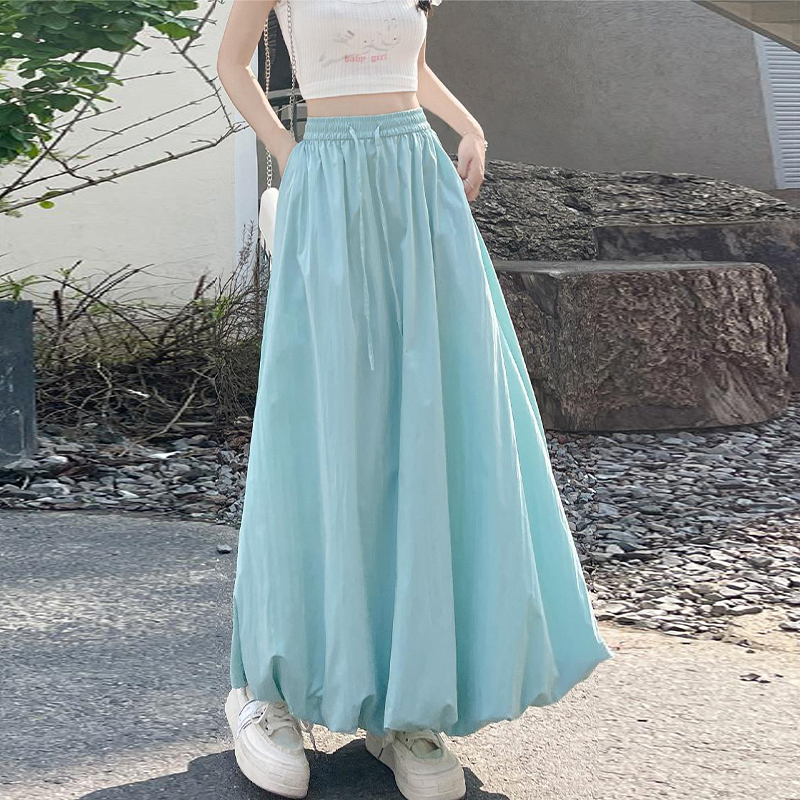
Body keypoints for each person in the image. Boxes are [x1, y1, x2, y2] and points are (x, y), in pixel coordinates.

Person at [216, 2, 612, 798]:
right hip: (328, 175)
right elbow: (233, 64)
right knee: (325, 417)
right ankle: (270, 683)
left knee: (435, 410)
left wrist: (471, 128)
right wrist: (289, 152)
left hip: (419, 176)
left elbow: (413, 68)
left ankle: (410, 699)